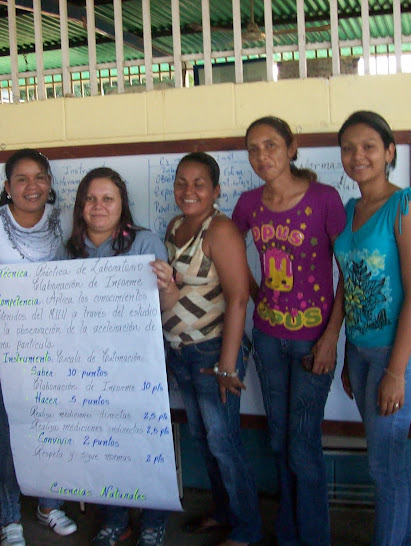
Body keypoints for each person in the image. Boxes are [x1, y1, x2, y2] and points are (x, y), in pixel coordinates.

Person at [232, 117, 346, 546]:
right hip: (266, 338)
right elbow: (227, 248)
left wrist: (331, 338)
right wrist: (254, 290)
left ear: (292, 148)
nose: (263, 156)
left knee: (303, 445)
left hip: (312, 339)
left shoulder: (324, 198)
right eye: (254, 149)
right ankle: (288, 534)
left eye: (271, 145)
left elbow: (347, 272)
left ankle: (314, 538)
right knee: (279, 440)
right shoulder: (247, 204)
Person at [0, 149, 78, 546]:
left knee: (55, 421)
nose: (31, 186)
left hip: (60, 341)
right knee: (15, 429)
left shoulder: (66, 221)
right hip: (6, 344)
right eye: (21, 179)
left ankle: (48, 505)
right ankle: (9, 517)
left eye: (39, 177)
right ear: (7, 188)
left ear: (49, 184)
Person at [56, 167, 177, 546]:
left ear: (122, 204)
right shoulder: (69, 250)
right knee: (103, 442)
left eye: (108, 198)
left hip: (140, 364)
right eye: (91, 199)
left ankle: (154, 521)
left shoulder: (144, 243)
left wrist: (167, 284)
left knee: (146, 441)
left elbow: (166, 304)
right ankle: (115, 518)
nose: (98, 206)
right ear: (80, 206)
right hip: (90, 367)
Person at [335, 111, 411, 546]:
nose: (359, 156)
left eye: (369, 146)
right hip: (360, 351)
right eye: (349, 148)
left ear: (390, 152)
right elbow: (348, 281)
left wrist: (395, 371)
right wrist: (343, 352)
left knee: (383, 464)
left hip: (399, 350)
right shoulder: (351, 208)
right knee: (392, 460)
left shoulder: (405, 206)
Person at [160, 152, 262, 546]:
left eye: (199, 183)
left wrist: (226, 365)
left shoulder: (220, 230)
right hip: (181, 351)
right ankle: (224, 514)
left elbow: (238, 299)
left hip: (214, 352)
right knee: (205, 439)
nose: (188, 191)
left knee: (224, 442)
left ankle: (248, 529)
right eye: (181, 182)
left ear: (216, 190)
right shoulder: (173, 227)